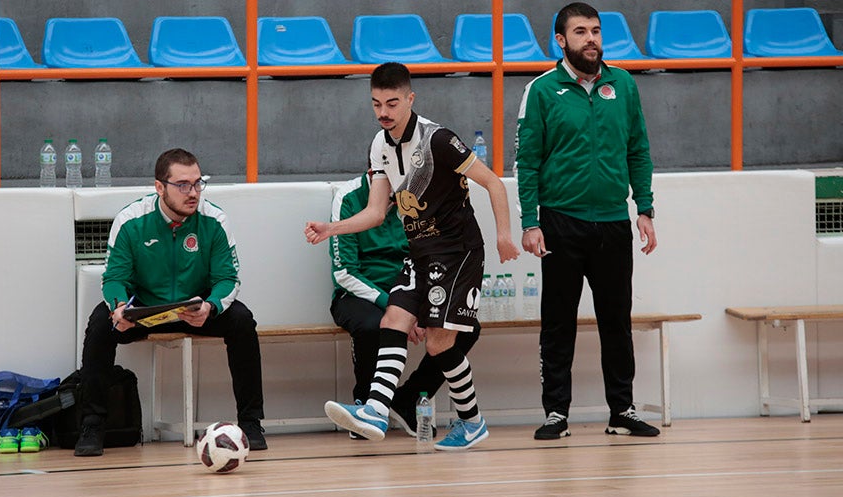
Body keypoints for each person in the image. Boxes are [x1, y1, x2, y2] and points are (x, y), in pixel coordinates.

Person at [305, 61, 519, 451]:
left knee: (438, 343)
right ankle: (374, 408)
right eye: (376, 105)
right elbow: (375, 212)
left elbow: (492, 183)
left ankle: (472, 422)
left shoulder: (437, 139)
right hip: (420, 251)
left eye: (391, 103)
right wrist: (330, 228)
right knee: (394, 317)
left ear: (409, 99)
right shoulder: (378, 145)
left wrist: (505, 235)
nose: (384, 113)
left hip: (458, 253)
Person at [515, 2, 660, 440]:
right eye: (580, 32)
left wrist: (646, 210)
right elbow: (527, 161)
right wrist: (529, 220)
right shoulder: (541, 90)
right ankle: (556, 413)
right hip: (561, 223)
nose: (591, 39)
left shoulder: (625, 85)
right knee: (557, 322)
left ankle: (622, 411)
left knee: (616, 321)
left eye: (595, 30)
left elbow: (638, 150)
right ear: (561, 41)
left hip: (615, 223)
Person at [74, 148, 266, 456]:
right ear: (160, 187)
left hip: (195, 310)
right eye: (183, 185)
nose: (193, 193)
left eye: (198, 183)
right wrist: (119, 307)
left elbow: (228, 279)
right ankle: (93, 424)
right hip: (146, 309)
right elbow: (113, 279)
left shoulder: (214, 219)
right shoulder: (130, 220)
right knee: (100, 324)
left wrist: (211, 306)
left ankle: (251, 423)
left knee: (242, 320)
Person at [329, 165, 480, 438]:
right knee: (372, 325)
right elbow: (344, 272)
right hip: (359, 292)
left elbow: (426, 261)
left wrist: (417, 308)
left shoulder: (413, 197)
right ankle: (366, 405)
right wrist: (394, 305)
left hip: (409, 288)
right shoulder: (348, 197)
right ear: (373, 173)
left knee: (463, 327)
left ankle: (407, 399)